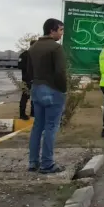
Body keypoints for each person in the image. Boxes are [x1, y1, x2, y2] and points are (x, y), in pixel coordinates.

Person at [27, 18, 67, 174]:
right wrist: (63, 90)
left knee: (37, 126)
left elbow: (28, 72)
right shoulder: (56, 48)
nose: (62, 33)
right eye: (61, 30)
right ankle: (47, 164)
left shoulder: (33, 47)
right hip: (53, 90)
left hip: (36, 89)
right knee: (51, 127)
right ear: (52, 30)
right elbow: (60, 72)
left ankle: (33, 162)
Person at [17, 47, 34, 120]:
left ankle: (22, 114)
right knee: (32, 97)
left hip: (25, 79)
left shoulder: (23, 54)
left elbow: (19, 66)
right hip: (32, 79)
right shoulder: (34, 54)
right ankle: (32, 113)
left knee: (25, 97)